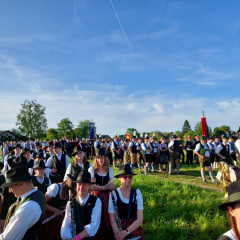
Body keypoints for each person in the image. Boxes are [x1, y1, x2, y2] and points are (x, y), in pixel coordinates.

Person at [0, 167, 46, 240]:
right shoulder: (39, 194)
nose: (9, 191)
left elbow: (7, 238)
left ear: (21, 184)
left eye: (10, 186)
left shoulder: (27, 207)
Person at [61, 171, 102, 240]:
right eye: (79, 184)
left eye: (84, 184)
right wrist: (68, 237)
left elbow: (93, 225)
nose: (81, 187)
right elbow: (67, 225)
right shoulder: (70, 203)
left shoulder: (96, 201)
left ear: (90, 186)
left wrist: (76, 238)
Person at [109, 164, 144, 240]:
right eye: (125, 177)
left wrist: (125, 232)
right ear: (119, 178)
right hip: (118, 230)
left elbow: (140, 219)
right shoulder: (113, 195)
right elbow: (112, 219)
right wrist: (118, 235)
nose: (128, 179)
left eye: (130, 176)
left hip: (133, 229)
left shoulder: (137, 193)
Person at [89, 148, 115, 240]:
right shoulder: (92, 170)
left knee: (107, 217)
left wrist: (100, 187)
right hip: (95, 196)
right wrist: (104, 187)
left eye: (102, 158)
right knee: (96, 217)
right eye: (99, 158)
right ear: (96, 159)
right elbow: (92, 187)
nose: (101, 160)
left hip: (107, 197)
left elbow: (112, 186)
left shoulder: (109, 170)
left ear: (105, 159)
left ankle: (107, 236)